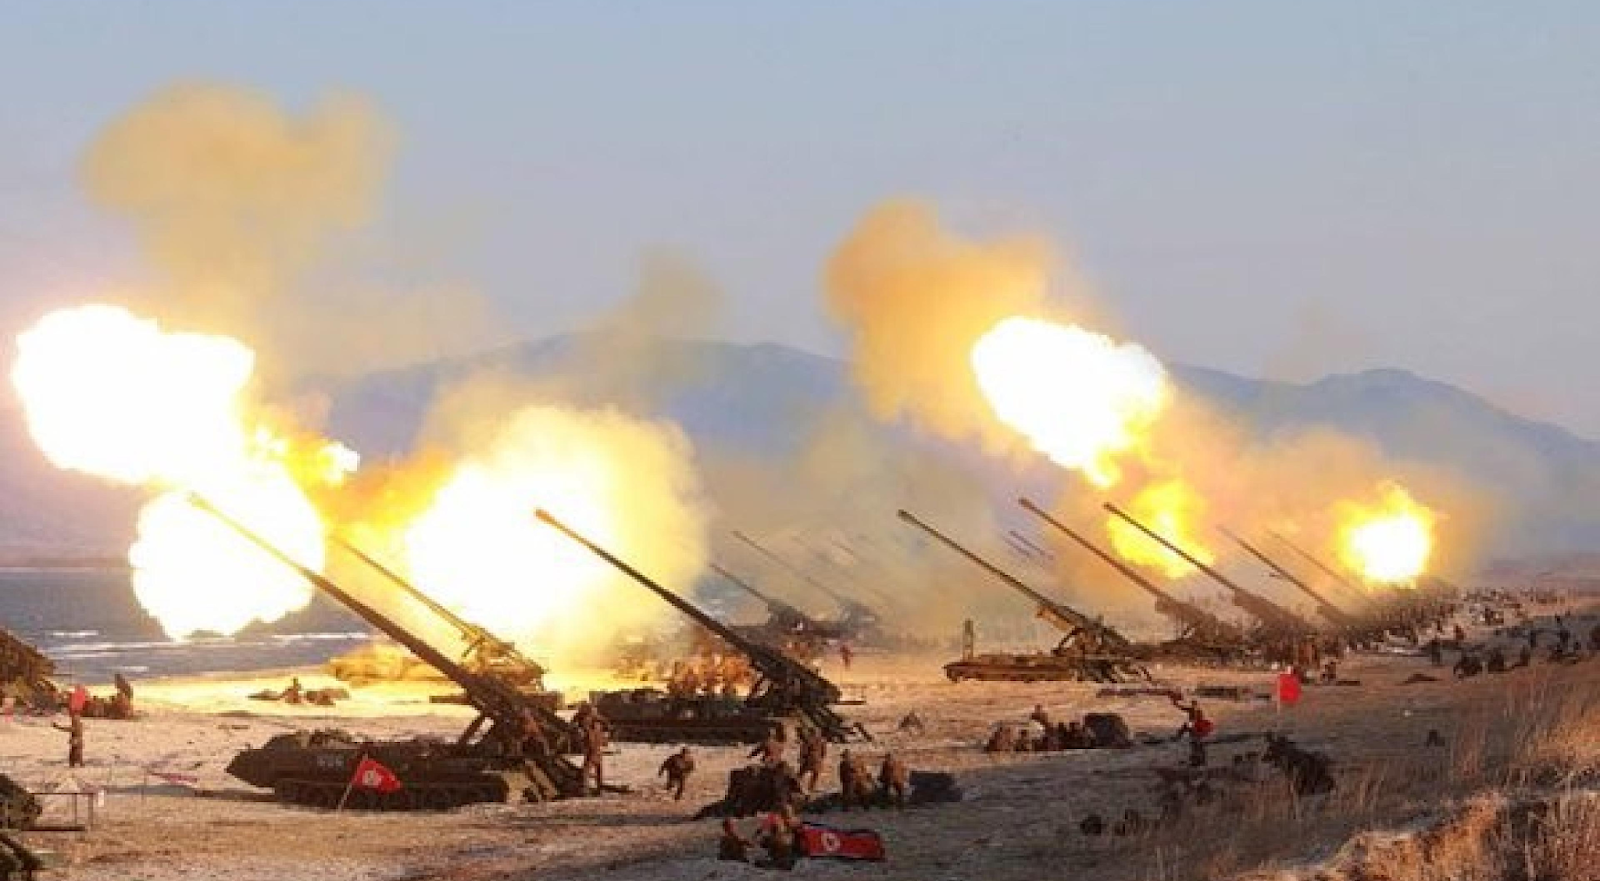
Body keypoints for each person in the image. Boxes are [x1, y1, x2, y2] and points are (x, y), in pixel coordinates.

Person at [581, 717, 607, 795]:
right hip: (599, 754)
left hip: (591, 754)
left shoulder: (590, 732)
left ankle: (585, 790)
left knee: (586, 772)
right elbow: (605, 743)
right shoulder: (601, 733)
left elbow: (587, 742)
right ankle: (599, 789)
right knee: (598, 772)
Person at [797, 727, 826, 793]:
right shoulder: (822, 740)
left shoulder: (809, 739)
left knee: (801, 773)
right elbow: (824, 751)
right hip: (817, 759)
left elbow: (804, 749)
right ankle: (811, 787)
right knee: (815, 774)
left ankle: (796, 785)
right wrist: (821, 758)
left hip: (809, 759)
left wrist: (802, 758)